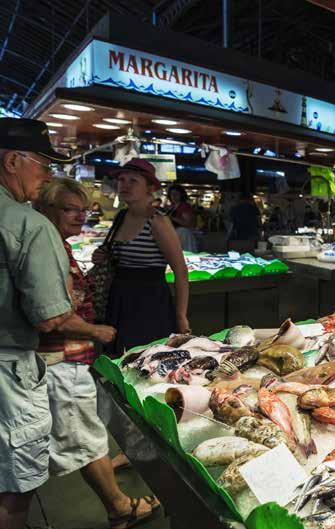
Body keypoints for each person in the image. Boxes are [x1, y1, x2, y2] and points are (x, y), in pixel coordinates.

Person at [34, 179, 160, 528]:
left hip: (68, 357)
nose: (79, 217)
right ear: (45, 209)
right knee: (85, 436)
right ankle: (120, 508)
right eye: (70, 209)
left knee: (83, 431)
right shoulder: (47, 248)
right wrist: (94, 331)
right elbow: (50, 315)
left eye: (83, 210)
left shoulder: (58, 245)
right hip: (62, 357)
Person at [0, 118, 76, 529]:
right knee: (13, 487)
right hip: (8, 373)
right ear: (13, 160)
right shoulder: (28, 224)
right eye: (43, 165)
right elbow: (49, 316)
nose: (48, 176)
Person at [94, 158, 190, 356]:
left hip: (150, 302)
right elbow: (113, 254)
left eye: (133, 181)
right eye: (121, 180)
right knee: (118, 358)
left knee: (146, 358)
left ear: (149, 188)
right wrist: (102, 255)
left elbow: (181, 271)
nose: (124, 185)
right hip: (118, 300)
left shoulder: (158, 222)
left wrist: (181, 316)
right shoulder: (121, 217)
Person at [167, 184, 197, 252]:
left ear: (181, 195)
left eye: (176, 194)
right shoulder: (172, 206)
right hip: (174, 234)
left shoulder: (184, 206)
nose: (173, 196)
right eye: (172, 194)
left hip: (183, 234)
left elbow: (188, 223)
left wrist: (171, 218)